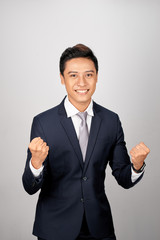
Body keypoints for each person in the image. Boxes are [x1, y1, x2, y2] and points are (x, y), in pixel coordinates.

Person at [22, 44, 150, 240]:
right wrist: (36, 163)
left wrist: (137, 165)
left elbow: (124, 178)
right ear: (62, 78)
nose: (82, 82)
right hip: (55, 228)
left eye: (88, 75)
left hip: (99, 228)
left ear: (97, 77)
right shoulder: (43, 122)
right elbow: (29, 187)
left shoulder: (111, 121)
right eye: (73, 75)